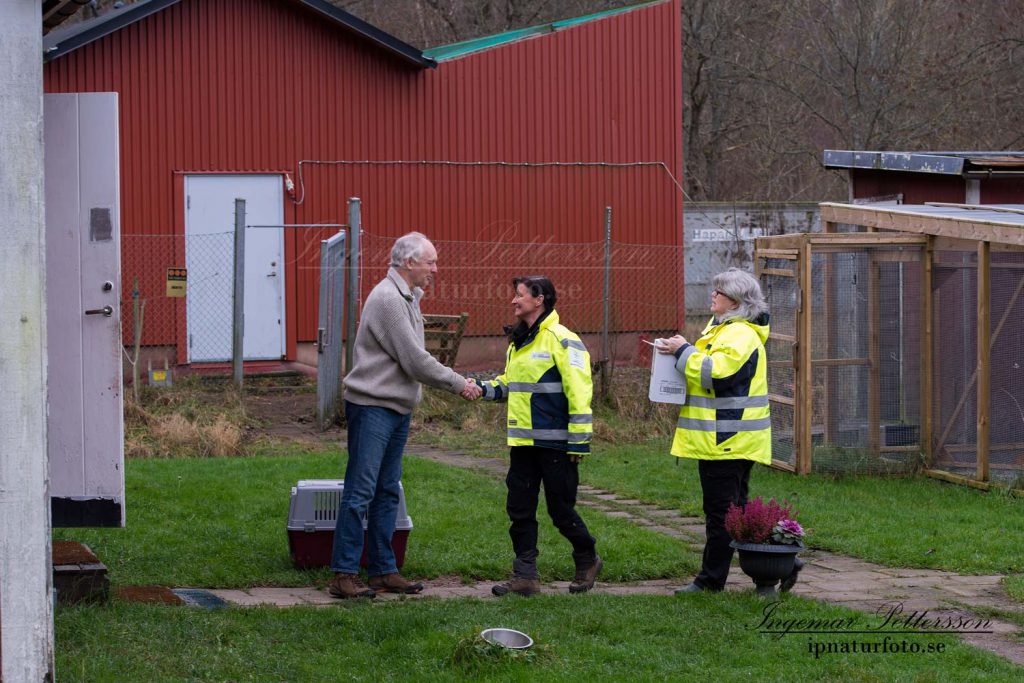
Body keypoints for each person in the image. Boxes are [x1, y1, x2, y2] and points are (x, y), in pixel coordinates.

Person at [328, 232, 482, 600]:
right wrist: (459, 383)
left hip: (396, 407)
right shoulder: (387, 299)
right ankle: (344, 574)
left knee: (386, 491)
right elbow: (415, 360)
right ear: (409, 263)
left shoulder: (408, 296)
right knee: (360, 491)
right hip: (372, 407)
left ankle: (382, 570)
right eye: (430, 262)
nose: (434, 269)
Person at [656, 267, 782, 594]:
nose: (712, 296)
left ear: (736, 301)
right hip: (728, 439)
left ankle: (710, 582)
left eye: (719, 292)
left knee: (721, 516)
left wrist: (683, 351)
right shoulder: (724, 330)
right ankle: (775, 568)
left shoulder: (738, 335)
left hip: (726, 440)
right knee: (737, 513)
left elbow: (717, 375)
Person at [474, 276, 601, 597]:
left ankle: (587, 558)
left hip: (558, 445)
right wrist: (483, 389)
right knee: (519, 508)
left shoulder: (562, 339)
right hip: (523, 445)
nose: (514, 301)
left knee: (561, 510)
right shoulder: (520, 341)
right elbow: (511, 383)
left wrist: (579, 441)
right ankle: (525, 576)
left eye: (519, 295)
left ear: (539, 299)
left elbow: (580, 390)